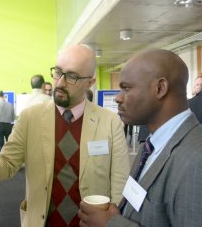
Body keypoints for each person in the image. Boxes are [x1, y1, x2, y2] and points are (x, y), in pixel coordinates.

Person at [0, 44, 130, 227]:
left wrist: (113, 216)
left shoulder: (110, 123)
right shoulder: (31, 118)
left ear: (90, 82)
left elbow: (119, 185)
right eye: (58, 72)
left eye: (71, 76)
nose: (60, 83)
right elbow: (5, 164)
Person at [79, 49, 202, 227]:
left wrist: (112, 224)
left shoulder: (196, 159)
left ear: (160, 88)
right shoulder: (151, 145)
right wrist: (120, 214)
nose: (118, 98)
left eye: (126, 88)